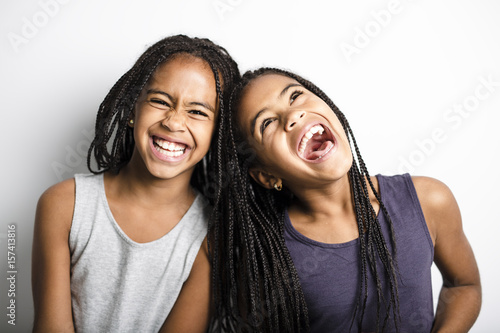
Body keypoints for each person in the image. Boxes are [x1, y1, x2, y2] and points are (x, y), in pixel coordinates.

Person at [208, 68, 481, 332]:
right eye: (266, 123)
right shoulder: (267, 253)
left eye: (295, 96)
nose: (293, 115)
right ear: (267, 176)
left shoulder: (428, 200)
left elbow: (463, 286)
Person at [31, 35, 239, 333]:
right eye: (159, 101)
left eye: (197, 112)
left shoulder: (211, 237)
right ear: (131, 110)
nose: (174, 122)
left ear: (217, 133)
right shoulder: (64, 205)